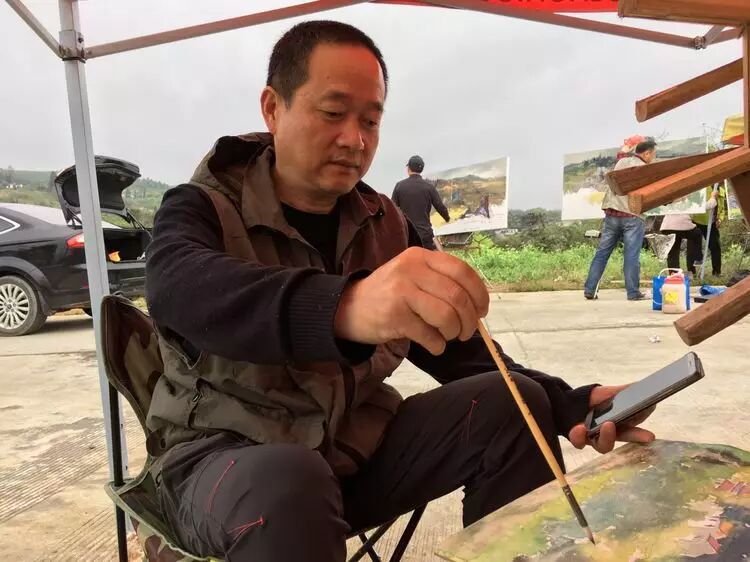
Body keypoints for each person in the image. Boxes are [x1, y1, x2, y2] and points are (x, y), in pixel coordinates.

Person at [145, 21, 655, 562]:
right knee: (288, 482)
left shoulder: (384, 224)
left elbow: (460, 350)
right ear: (273, 108)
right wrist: (347, 306)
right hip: (222, 466)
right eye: (333, 112)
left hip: (351, 452)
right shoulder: (201, 206)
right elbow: (180, 288)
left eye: (370, 120)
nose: (355, 139)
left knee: (515, 402)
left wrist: (568, 400)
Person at [583, 139, 657, 301]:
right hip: (632, 216)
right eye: (653, 154)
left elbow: (622, 156)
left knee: (602, 252)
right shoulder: (645, 169)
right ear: (647, 153)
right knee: (631, 255)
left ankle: (590, 289)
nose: (653, 158)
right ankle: (633, 292)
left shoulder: (622, 162)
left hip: (612, 213)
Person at [392, 155, 450, 250]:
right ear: (421, 169)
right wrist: (447, 219)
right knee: (428, 258)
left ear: (408, 168)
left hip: (407, 235)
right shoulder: (429, 187)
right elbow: (440, 207)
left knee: (409, 259)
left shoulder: (399, 186)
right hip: (425, 235)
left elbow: (392, 209)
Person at [692, 185, 726, 276]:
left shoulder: (722, 191)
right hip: (698, 221)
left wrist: (720, 219)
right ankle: (692, 272)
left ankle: (716, 272)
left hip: (712, 223)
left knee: (715, 247)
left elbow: (722, 209)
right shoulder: (703, 188)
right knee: (693, 247)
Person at [660, 213, 704, 277]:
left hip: (666, 227)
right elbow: (699, 209)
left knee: (673, 251)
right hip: (682, 225)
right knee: (697, 233)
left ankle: (674, 274)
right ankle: (697, 258)